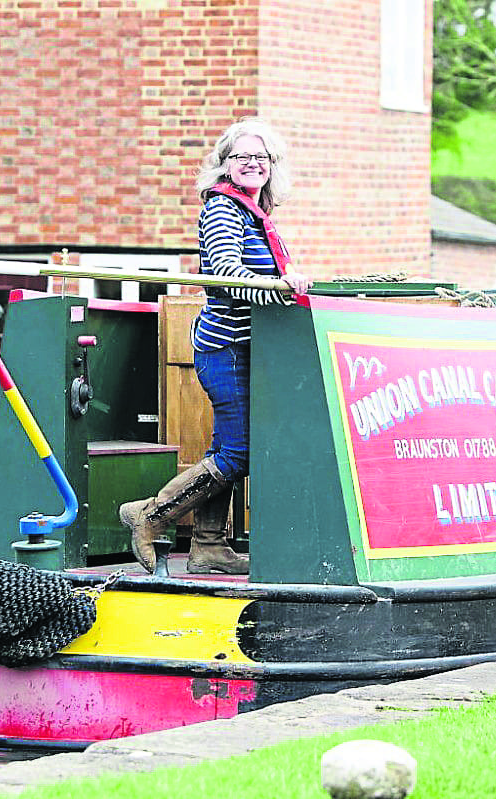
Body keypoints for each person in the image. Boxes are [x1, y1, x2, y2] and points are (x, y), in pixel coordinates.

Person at [119, 117, 312, 575]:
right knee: (238, 452)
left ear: (272, 166)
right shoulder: (224, 209)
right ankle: (150, 515)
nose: (252, 163)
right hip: (224, 348)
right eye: (241, 156)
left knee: (226, 446)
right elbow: (226, 277)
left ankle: (208, 547)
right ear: (224, 164)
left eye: (260, 157)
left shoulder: (255, 212)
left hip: (246, 349)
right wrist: (282, 288)